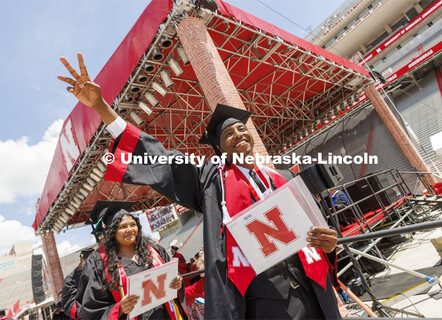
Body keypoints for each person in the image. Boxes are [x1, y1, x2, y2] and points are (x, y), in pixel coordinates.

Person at [58, 53, 339, 319]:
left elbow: (317, 231)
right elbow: (161, 159)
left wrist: (330, 243)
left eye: (242, 129)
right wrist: (101, 107)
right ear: (219, 147)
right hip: (263, 299)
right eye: (229, 133)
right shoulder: (213, 183)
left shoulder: (284, 179)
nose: (238, 134)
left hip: (314, 288)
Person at [75, 201, 187, 319]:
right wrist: (119, 309)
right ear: (112, 232)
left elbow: (173, 277)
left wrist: (178, 282)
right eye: (123, 226)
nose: (129, 229)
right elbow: (91, 309)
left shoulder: (155, 251)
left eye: (133, 225)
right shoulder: (100, 265)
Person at [61, 247, 95, 319]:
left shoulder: (98, 272)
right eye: (90, 261)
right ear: (83, 261)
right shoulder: (70, 281)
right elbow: (73, 310)